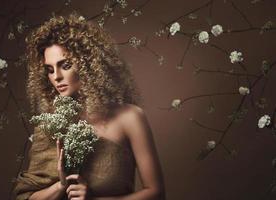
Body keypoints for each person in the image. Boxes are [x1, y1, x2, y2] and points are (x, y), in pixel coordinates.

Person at [13, 12, 165, 200]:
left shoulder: (130, 117)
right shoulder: (51, 124)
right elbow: (25, 196)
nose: (56, 77)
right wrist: (61, 186)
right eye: (50, 70)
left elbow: (156, 193)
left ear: (89, 65)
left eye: (66, 65)